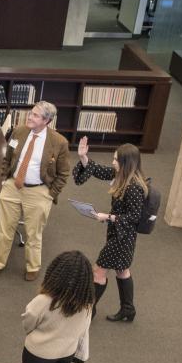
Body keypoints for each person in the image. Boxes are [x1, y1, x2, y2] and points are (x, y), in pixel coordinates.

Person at [0, 100, 70, 281]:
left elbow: (64, 173)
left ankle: (32, 267)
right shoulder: (19, 132)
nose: (30, 117)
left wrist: (51, 194)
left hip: (39, 191)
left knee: (34, 234)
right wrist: (4, 178)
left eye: (35, 115)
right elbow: (7, 157)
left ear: (46, 121)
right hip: (12, 187)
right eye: (31, 113)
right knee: (4, 231)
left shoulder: (59, 142)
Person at [74, 138, 149, 322]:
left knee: (98, 270)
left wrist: (107, 216)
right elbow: (97, 170)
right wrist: (83, 157)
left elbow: (134, 217)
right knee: (122, 270)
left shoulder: (133, 188)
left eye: (116, 159)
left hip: (122, 238)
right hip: (120, 235)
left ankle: (89, 312)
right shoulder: (120, 175)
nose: (112, 162)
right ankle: (128, 309)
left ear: (125, 163)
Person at [22, 250, 93, 363]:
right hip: (66, 354)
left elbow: (29, 321)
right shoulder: (86, 304)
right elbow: (82, 329)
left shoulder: (44, 300)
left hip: (38, 353)